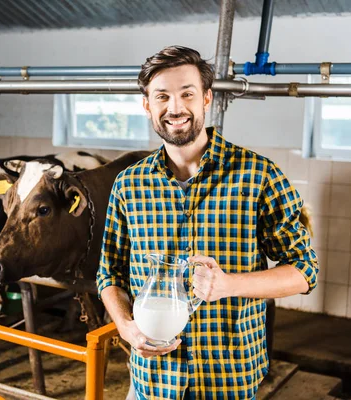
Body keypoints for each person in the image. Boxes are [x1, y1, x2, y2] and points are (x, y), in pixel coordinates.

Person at [97, 45, 318, 400]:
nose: (175, 108)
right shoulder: (129, 184)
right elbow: (109, 274)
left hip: (227, 381)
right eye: (162, 96)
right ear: (147, 105)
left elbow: (305, 271)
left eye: (187, 93)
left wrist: (228, 285)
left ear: (206, 99)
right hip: (152, 383)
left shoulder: (258, 176)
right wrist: (126, 327)